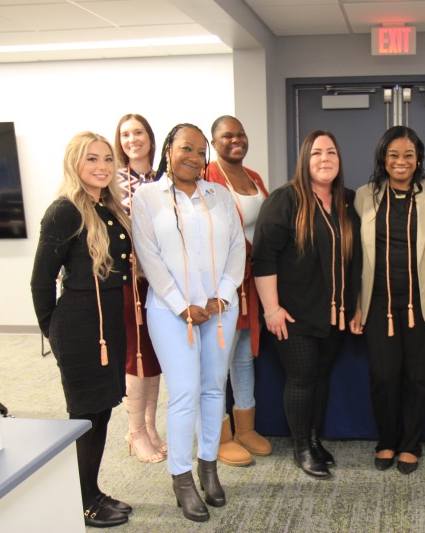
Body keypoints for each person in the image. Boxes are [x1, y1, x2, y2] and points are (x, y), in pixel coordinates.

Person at [131, 123, 245, 522]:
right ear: (169, 149)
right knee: (184, 392)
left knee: (214, 389)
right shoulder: (147, 197)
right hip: (170, 312)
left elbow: (237, 247)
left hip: (220, 311)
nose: (194, 158)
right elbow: (149, 257)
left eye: (200, 152)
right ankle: (181, 479)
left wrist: (222, 296)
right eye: (186, 149)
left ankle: (208, 467)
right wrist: (183, 306)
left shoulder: (219, 195)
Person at [31, 132, 133, 528]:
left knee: (101, 412)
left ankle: (91, 490)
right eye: (92, 159)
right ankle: (81, 502)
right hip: (79, 328)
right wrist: (54, 332)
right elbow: (41, 281)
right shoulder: (65, 211)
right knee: (85, 418)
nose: (102, 166)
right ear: (75, 163)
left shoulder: (106, 207)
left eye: (107, 159)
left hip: (108, 327)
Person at [350, 126, 425, 475]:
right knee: (383, 377)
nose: (401, 161)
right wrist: (356, 305)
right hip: (378, 305)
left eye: (409, 155)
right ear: (383, 159)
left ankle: (410, 445)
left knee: (417, 378)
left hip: (424, 305)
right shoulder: (365, 195)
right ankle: (387, 440)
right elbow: (354, 257)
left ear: (418, 159)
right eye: (394, 155)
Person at [252, 130, 360, 480]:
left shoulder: (347, 200)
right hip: (292, 313)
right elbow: (263, 257)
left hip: (333, 313)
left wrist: (356, 305)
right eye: (316, 153)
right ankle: (301, 448)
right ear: (304, 160)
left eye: (331, 152)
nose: (324, 158)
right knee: (301, 379)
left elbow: (356, 258)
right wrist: (271, 309)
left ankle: (313, 440)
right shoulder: (285, 199)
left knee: (320, 376)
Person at [206, 115, 272, 467]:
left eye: (241, 134)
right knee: (218, 362)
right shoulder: (207, 177)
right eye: (227, 136)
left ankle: (245, 428)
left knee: (244, 357)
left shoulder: (254, 177)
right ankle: (219, 436)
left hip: (252, 283)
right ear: (214, 142)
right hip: (223, 283)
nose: (236, 140)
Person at [114, 113, 166, 464]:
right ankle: (134, 431)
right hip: (131, 281)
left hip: (161, 280)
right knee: (137, 356)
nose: (132, 139)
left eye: (138, 132)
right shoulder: (114, 182)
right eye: (125, 134)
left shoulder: (162, 178)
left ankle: (149, 425)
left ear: (150, 136)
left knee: (156, 354)